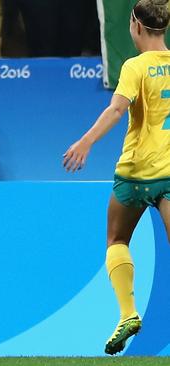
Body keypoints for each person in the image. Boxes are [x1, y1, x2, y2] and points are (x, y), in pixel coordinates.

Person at [62, 0, 170, 355]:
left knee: (116, 239)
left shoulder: (135, 66)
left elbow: (116, 108)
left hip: (134, 173)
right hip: (169, 174)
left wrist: (84, 142)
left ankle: (127, 313)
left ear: (135, 25)